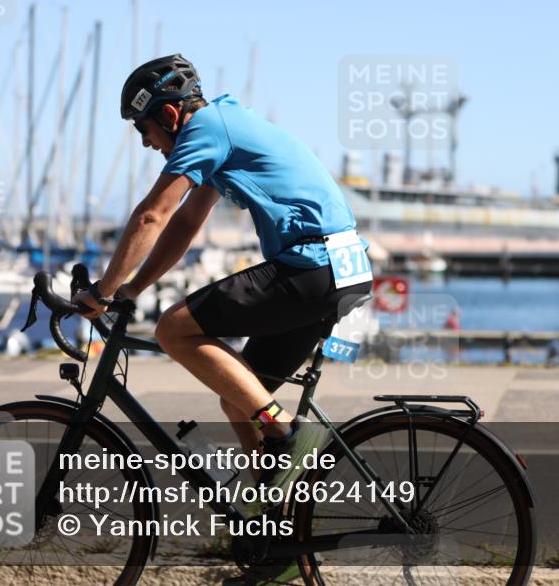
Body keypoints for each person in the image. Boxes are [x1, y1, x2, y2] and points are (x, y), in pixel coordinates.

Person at [73, 54, 373, 496]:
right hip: (342, 269)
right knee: (239, 396)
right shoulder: (226, 126)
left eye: (143, 128)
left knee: (173, 329)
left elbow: (152, 216)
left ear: (169, 115)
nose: (146, 143)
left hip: (314, 264)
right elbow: (185, 222)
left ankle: (289, 432)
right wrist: (133, 288)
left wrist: (103, 291)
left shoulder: (206, 129)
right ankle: (270, 517)